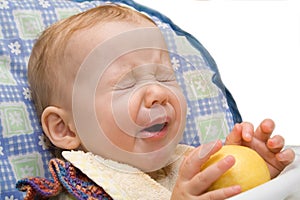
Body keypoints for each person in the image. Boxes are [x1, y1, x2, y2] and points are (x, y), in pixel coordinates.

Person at [17, 4, 295, 200]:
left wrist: (256, 180)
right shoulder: (74, 188)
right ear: (65, 128)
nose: (158, 93)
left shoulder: (188, 165)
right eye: (127, 82)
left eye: (164, 78)